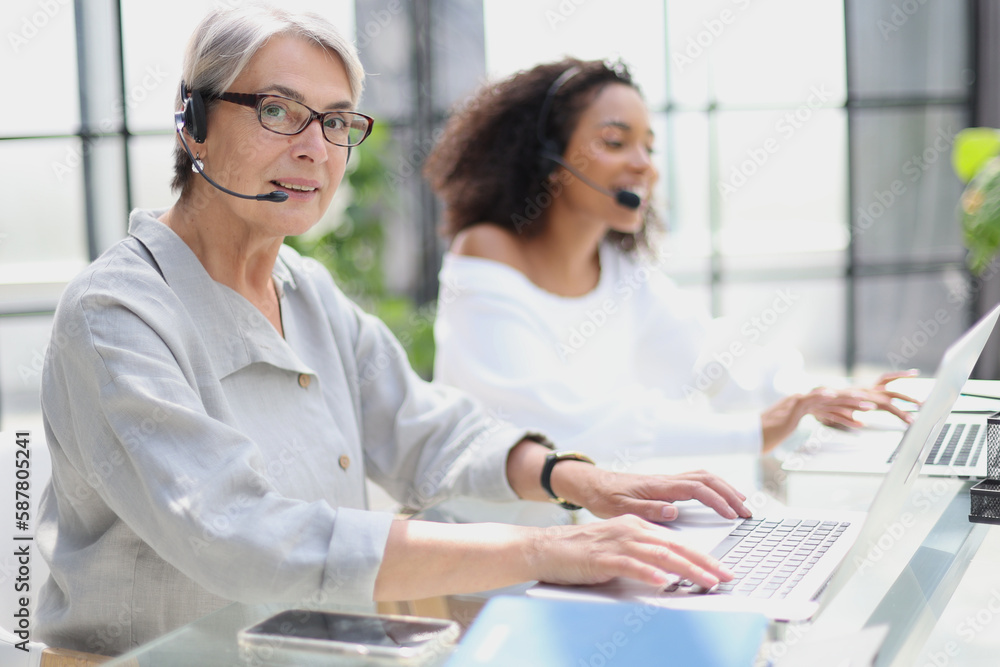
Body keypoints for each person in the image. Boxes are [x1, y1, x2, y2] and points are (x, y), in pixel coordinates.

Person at [35, 7, 752, 656]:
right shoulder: (116, 315)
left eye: (338, 121)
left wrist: (580, 479)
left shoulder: (308, 292)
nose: (317, 148)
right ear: (193, 120)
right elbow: (237, 533)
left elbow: (426, 430)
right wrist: (541, 549)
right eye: (280, 110)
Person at [424, 58, 919, 474]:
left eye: (649, 146)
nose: (646, 165)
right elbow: (561, 424)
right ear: (550, 157)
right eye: (616, 142)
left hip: (594, 530)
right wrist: (757, 429)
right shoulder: (486, 252)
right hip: (505, 547)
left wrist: (816, 396)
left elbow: (711, 358)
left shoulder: (617, 268)